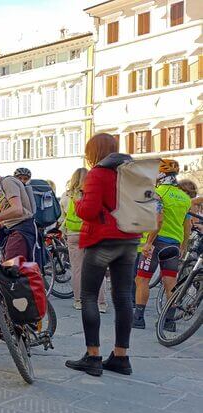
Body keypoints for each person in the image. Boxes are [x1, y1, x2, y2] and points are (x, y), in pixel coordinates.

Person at [65, 133, 141, 377]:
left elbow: (88, 211)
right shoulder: (134, 172)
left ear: (93, 152)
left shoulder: (98, 173)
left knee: (88, 296)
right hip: (130, 240)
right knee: (123, 297)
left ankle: (93, 356)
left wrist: (78, 202)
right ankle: (121, 357)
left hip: (103, 240)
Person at [133, 159, 191, 329]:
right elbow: (187, 226)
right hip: (174, 243)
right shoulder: (185, 198)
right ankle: (169, 321)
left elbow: (158, 221)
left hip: (156, 242)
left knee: (142, 279)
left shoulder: (157, 194)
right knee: (170, 281)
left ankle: (138, 318)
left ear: (160, 175)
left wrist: (148, 242)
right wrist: (184, 246)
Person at [61, 167, 108, 312]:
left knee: (77, 269)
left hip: (74, 234)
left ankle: (78, 301)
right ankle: (101, 304)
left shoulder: (66, 196)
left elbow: (62, 216)